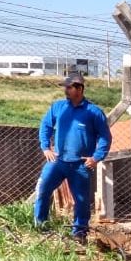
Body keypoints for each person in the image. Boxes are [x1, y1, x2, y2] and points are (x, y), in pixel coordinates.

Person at [34, 72, 112, 243]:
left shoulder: (93, 112)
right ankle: (41, 226)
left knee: (81, 200)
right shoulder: (58, 107)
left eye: (69, 87)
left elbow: (105, 137)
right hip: (57, 161)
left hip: (80, 165)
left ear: (79, 88)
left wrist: (96, 157)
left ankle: (79, 233)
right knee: (43, 190)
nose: (66, 90)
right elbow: (45, 126)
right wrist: (45, 147)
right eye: (66, 87)